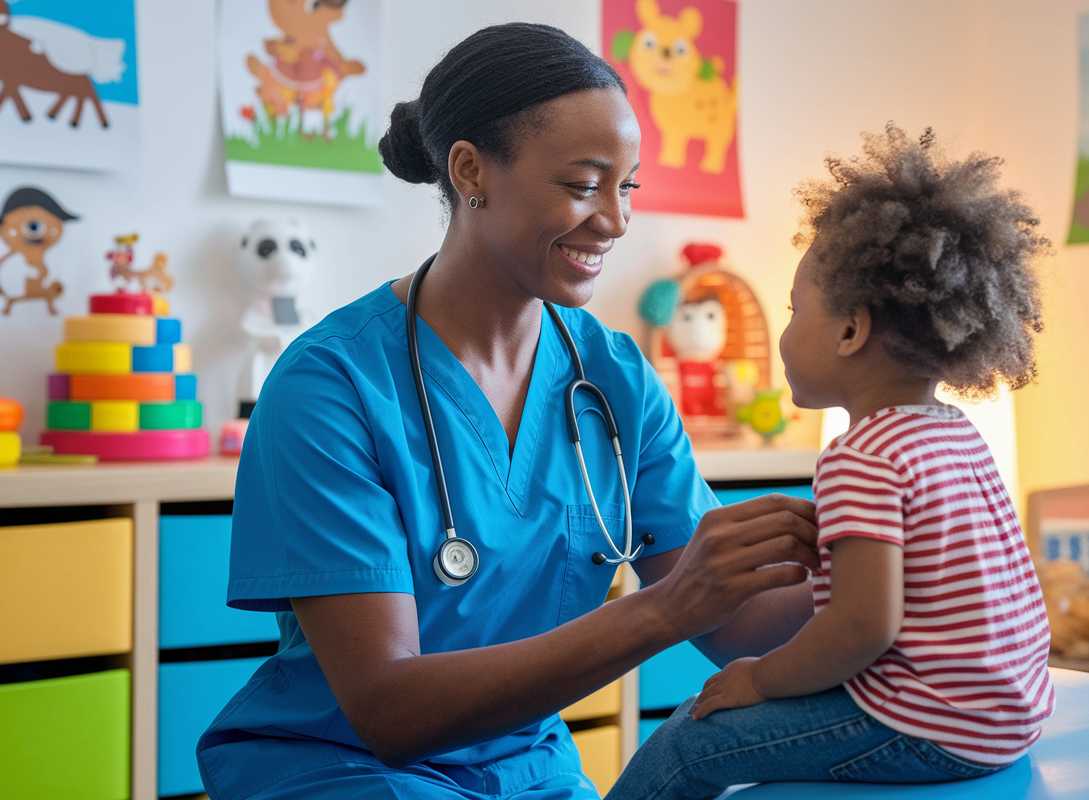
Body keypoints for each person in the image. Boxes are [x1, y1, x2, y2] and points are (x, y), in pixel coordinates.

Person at [196, 23, 819, 800]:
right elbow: (388, 708)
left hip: (525, 770)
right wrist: (660, 611)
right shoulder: (330, 387)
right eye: (583, 183)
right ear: (469, 171)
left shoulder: (615, 379)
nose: (617, 221)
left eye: (627, 186)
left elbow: (734, 625)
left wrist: (869, 556)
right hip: (342, 769)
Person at [607, 125, 1055, 800]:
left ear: (851, 330)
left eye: (793, 311)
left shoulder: (860, 456)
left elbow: (859, 627)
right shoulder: (951, 434)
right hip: (1003, 720)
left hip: (927, 728)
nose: (785, 333)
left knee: (688, 741)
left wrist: (758, 680)